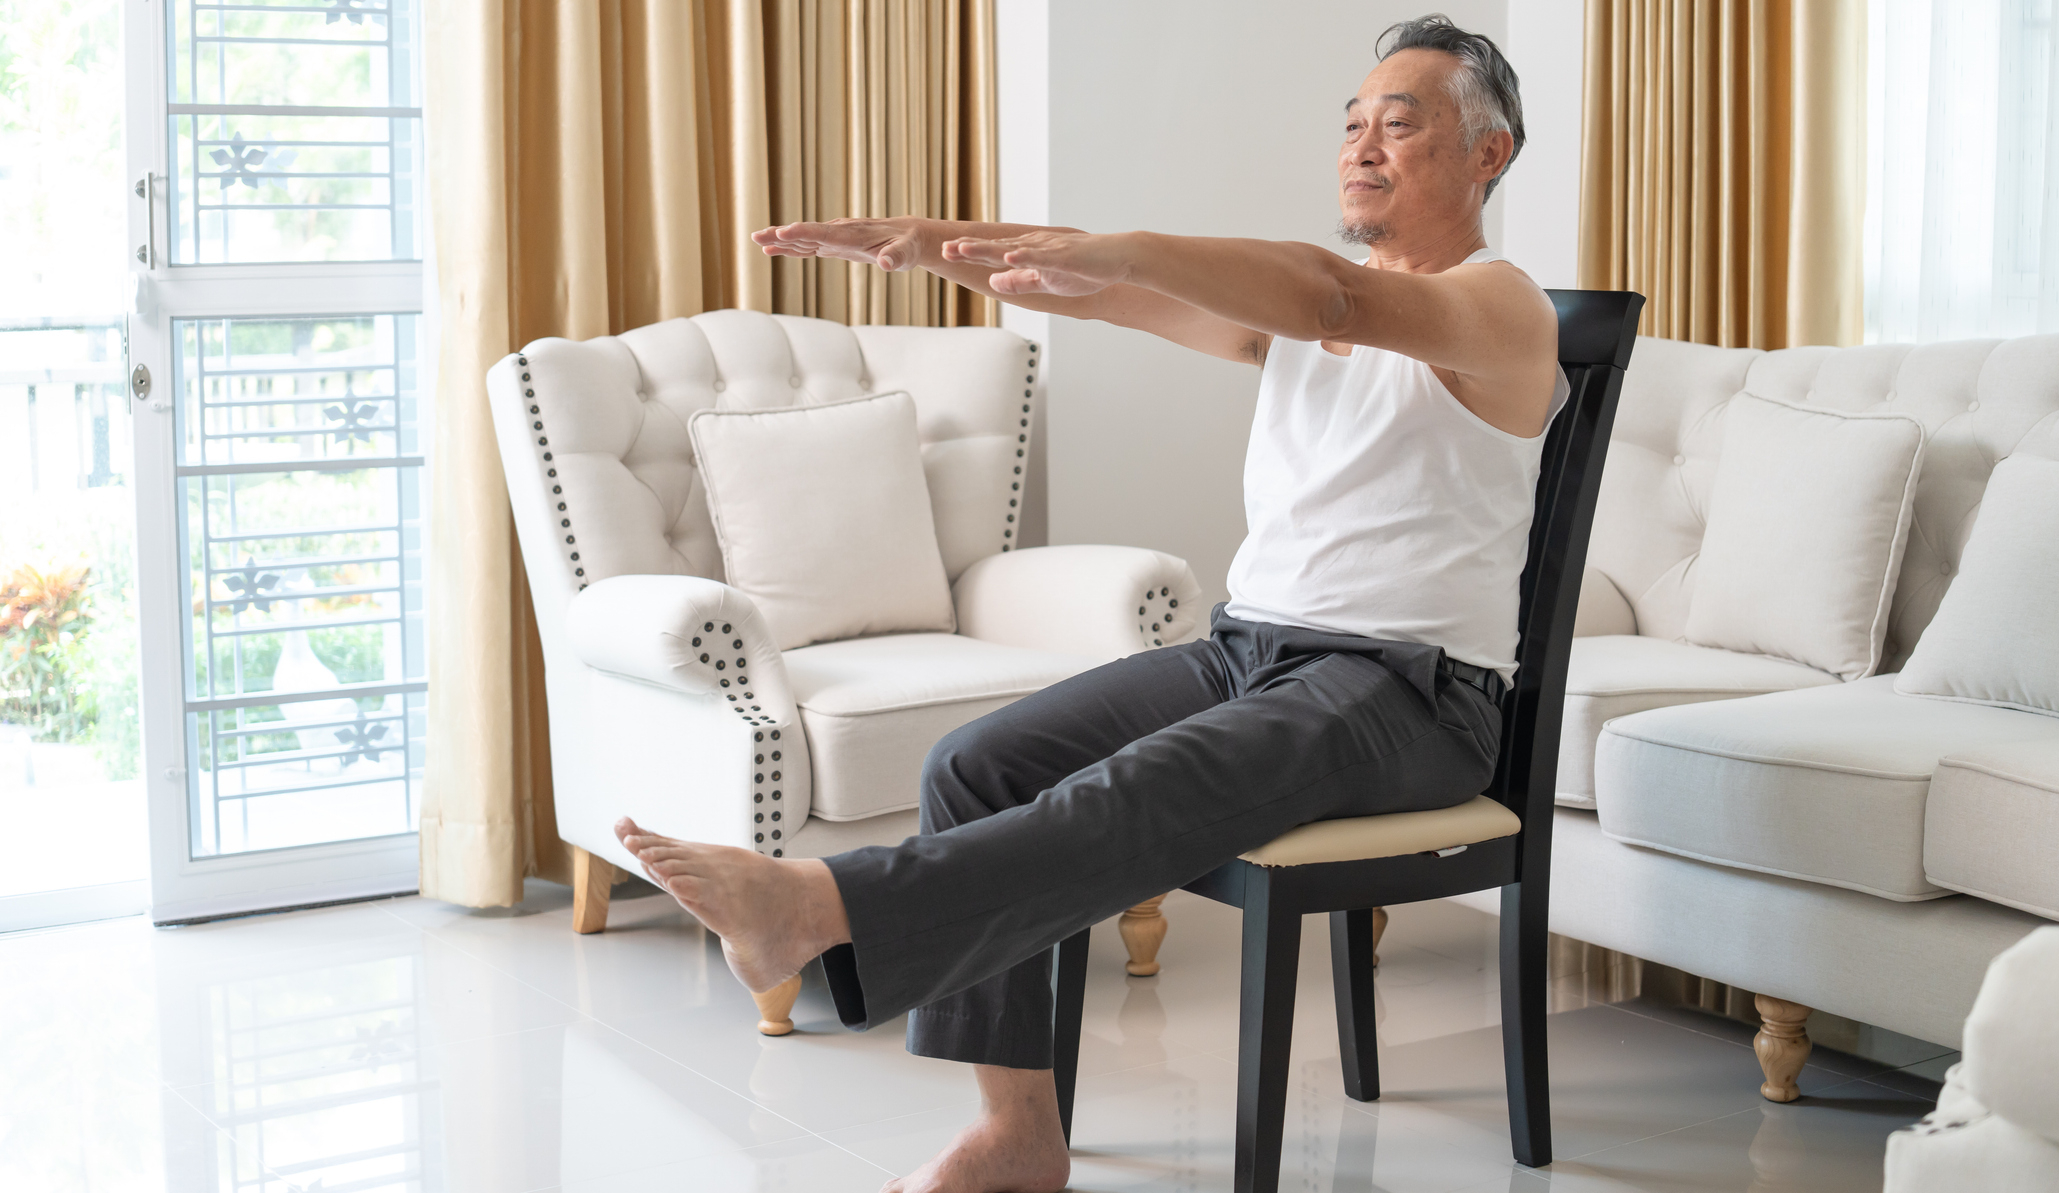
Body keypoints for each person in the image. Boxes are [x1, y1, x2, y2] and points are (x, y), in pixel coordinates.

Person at [615, 15, 1558, 1193]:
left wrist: (1122, 250)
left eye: (1400, 124)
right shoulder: (1317, 319)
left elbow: (1322, 295)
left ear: (1489, 155)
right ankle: (1016, 1132)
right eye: (1353, 122)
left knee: (1140, 787)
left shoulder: (1502, 310)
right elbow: (1104, 288)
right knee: (975, 765)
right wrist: (946, 249)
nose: (1362, 145)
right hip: (1252, 649)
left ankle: (817, 904)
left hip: (1411, 695)